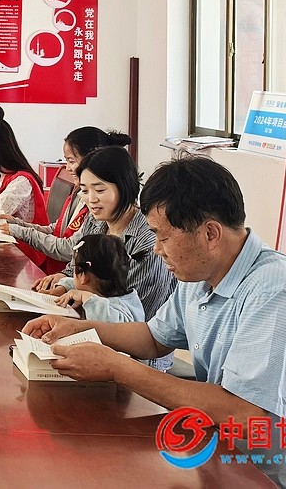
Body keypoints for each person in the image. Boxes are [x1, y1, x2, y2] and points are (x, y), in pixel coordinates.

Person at [24, 156, 286, 489]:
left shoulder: (276, 291)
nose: (157, 250)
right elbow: (154, 338)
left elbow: (243, 413)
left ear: (210, 234)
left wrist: (117, 368)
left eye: (163, 237)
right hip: (232, 457)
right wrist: (81, 328)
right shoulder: (201, 274)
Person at [27, 146, 175, 369]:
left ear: (124, 186)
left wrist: (81, 300)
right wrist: (61, 282)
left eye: (99, 190)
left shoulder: (147, 241)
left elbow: (139, 321)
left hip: (136, 357)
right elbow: (75, 266)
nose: (91, 199)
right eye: (84, 191)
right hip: (87, 328)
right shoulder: (95, 220)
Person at [0, 126, 133, 275]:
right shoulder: (78, 193)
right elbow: (58, 229)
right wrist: (17, 223)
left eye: (71, 161)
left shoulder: (99, 210)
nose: (67, 168)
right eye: (86, 190)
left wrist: (19, 231)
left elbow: (71, 249)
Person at [54, 233, 145, 324]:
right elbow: (76, 284)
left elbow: (111, 325)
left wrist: (85, 297)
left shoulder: (120, 310)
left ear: (83, 276)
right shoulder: (102, 290)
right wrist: (64, 287)